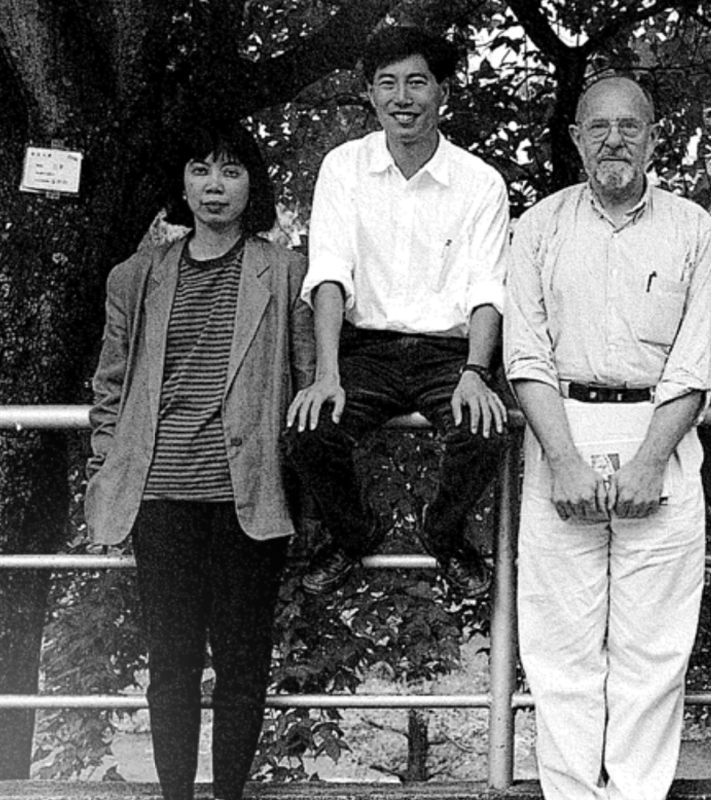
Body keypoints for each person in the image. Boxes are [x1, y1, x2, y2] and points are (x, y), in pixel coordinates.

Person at [504, 74, 711, 800]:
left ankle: (635, 794)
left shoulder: (693, 228)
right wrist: (562, 459)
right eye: (598, 127)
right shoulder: (538, 226)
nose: (614, 140)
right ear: (575, 139)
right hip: (560, 431)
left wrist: (651, 458)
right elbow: (525, 352)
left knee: (652, 650)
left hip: (659, 436)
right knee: (561, 649)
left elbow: (697, 358)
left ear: (655, 137)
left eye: (630, 126)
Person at [86, 122, 313, 800]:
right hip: (160, 496)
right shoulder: (137, 275)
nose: (215, 186)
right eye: (201, 170)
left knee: (244, 664)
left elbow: (307, 374)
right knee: (172, 664)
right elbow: (109, 386)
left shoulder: (286, 270)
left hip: (249, 494)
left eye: (232, 171)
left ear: (254, 185)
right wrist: (107, 466)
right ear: (182, 184)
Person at [284, 25, 510, 596]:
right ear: (370, 93)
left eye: (417, 82)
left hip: (449, 354)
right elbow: (328, 273)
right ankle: (355, 535)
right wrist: (326, 373)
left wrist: (476, 373)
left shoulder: (481, 182)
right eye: (388, 84)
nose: (402, 98)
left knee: (484, 431)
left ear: (443, 93)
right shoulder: (343, 167)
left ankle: (444, 533)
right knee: (308, 431)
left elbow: (488, 288)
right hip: (366, 351)